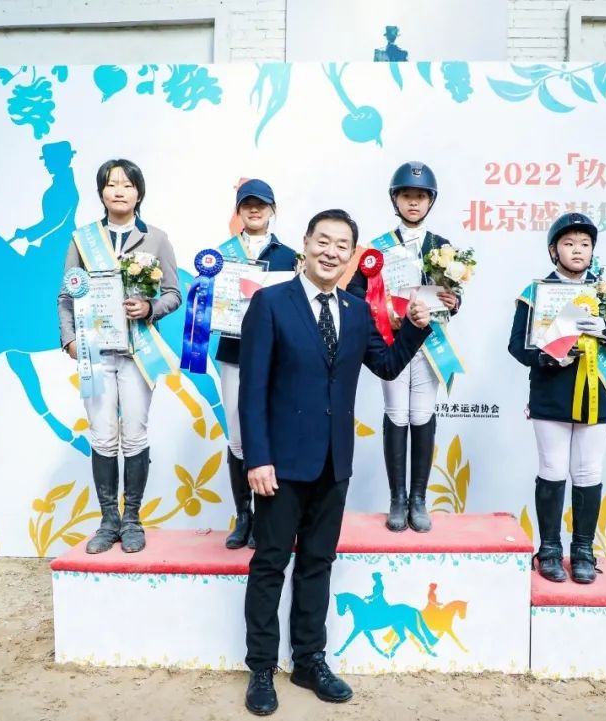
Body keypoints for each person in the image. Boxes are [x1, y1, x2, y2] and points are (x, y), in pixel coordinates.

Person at [239, 209, 432, 715]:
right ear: (305, 244)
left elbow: (386, 365)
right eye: (322, 241)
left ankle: (309, 661)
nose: (331, 252)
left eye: (342, 245)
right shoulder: (270, 303)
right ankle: (262, 667)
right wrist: (258, 458)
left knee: (317, 564)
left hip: (333, 463)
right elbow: (251, 389)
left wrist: (415, 329)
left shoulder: (356, 309)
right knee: (269, 564)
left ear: (351, 255)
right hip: (279, 465)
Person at [57, 159, 182, 554]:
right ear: (101, 192)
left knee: (135, 433)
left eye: (127, 185)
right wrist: (69, 339)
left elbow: (173, 294)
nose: (119, 191)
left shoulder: (156, 239)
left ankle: (132, 520)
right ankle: (108, 520)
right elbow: (66, 295)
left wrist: (149, 308)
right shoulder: (83, 240)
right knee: (102, 433)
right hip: (94, 352)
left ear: (138, 192)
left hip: (137, 352)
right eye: (112, 184)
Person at [507, 213, 606, 584]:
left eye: (584, 244)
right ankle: (549, 549)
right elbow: (516, 345)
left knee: (588, 471)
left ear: (593, 250)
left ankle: (582, 551)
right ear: (554, 250)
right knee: (552, 468)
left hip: (598, 392)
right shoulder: (535, 292)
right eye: (568, 243)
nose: (577, 250)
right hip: (551, 392)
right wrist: (546, 358)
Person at [347, 161, 460, 533]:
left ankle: (419, 499)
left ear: (431, 201)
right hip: (392, 344)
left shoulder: (442, 247)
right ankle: (397, 498)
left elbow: (451, 294)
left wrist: (454, 301)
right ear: (395, 199)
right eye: (407, 195)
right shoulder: (377, 249)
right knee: (396, 413)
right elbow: (357, 294)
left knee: (422, 414)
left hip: (428, 343)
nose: (414, 202)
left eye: (421, 196)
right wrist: (384, 313)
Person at [215, 179, 299, 550]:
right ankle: (243, 514)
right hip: (234, 353)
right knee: (237, 433)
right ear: (238, 210)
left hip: (276, 357)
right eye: (247, 204)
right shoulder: (219, 256)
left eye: (261, 204)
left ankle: (267, 514)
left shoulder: (290, 256)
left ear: (272, 209)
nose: (254, 209)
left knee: (273, 431)